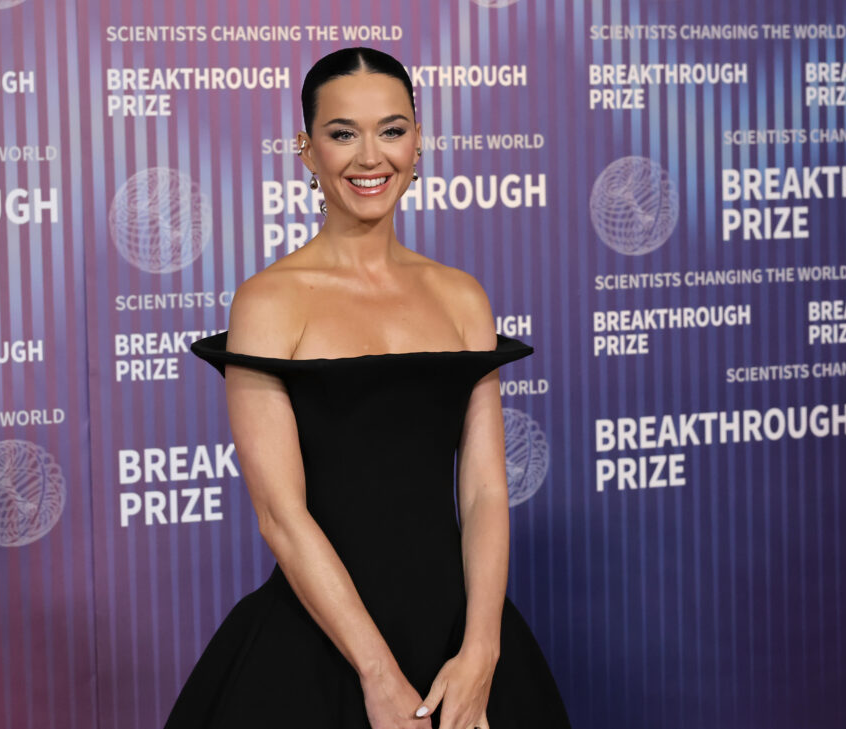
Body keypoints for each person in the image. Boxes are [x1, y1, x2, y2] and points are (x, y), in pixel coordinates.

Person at [165, 47, 571, 729]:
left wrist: (482, 651)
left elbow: (484, 490)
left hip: (457, 642)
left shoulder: (461, 296)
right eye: (342, 133)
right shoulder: (268, 303)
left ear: (418, 141)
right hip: (322, 649)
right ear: (306, 149)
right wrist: (377, 674)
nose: (369, 156)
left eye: (391, 129)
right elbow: (281, 514)